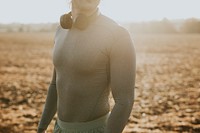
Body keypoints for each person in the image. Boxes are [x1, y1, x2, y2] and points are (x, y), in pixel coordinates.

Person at [37, 0, 136, 133]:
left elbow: (124, 101)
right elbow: (55, 84)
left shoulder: (117, 34)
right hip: (59, 128)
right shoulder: (61, 29)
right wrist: (41, 127)